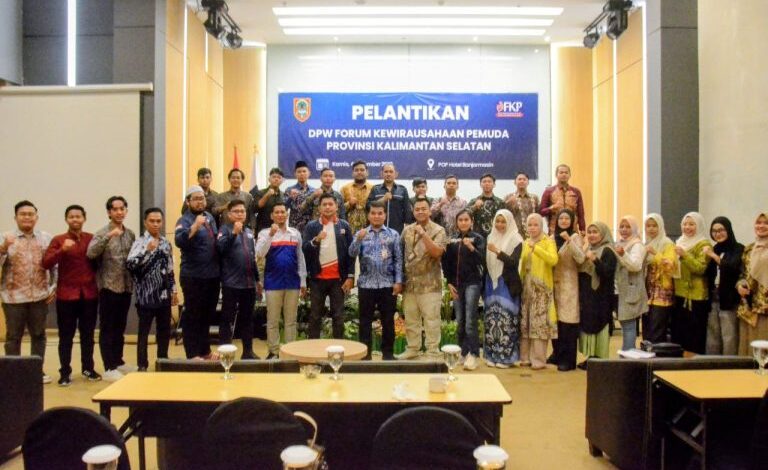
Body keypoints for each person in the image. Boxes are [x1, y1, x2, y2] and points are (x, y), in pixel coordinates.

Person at [42, 205, 101, 386]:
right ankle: (65, 372)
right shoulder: (58, 240)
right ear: (66, 219)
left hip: (89, 294)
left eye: (78, 216)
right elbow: (46, 263)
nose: (75, 219)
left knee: (88, 335)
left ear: (84, 218)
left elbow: (98, 263)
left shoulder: (91, 239)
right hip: (66, 295)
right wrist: (62, 250)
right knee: (66, 336)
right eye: (71, 217)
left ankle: (88, 368)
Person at [1, 201, 56, 384]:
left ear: (36, 217)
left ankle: (36, 372)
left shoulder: (46, 238)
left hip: (39, 296)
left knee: (39, 335)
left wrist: (53, 286)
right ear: (15, 217)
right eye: (23, 214)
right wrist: (3, 248)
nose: (27, 217)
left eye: (30, 214)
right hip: (13, 298)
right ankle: (12, 374)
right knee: (13, 337)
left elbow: (54, 265)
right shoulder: (5, 237)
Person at [87, 196, 136, 382]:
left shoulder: (130, 234)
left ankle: (118, 361)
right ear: (109, 212)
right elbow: (91, 253)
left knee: (120, 327)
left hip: (126, 286)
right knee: (107, 327)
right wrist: (108, 237)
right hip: (108, 286)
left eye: (122, 208)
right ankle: (109, 367)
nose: (119, 212)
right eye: (115, 209)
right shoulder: (102, 233)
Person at [349, 201, 403, 360]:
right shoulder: (361, 233)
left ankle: (388, 355)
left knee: (388, 321)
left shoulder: (393, 234)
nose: (376, 216)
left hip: (387, 284)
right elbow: (351, 254)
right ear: (368, 215)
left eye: (380, 213)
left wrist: (398, 281)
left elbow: (398, 259)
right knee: (365, 322)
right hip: (366, 284)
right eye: (373, 213)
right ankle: (365, 356)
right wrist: (358, 240)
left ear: (385, 215)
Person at [126, 208, 178, 371]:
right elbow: (130, 266)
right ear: (145, 222)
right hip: (145, 295)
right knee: (144, 332)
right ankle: (142, 364)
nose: (156, 224)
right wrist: (146, 251)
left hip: (163, 295)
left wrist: (174, 290)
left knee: (164, 331)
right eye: (152, 221)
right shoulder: (139, 242)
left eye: (158, 221)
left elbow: (170, 269)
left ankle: (162, 361)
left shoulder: (166, 243)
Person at [397, 197, 448, 359]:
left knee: (431, 320)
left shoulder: (439, 230)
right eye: (417, 209)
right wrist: (399, 280)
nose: (420, 212)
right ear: (413, 212)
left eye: (423, 209)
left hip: (430, 284)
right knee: (411, 320)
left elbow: (437, 253)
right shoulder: (407, 230)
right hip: (410, 284)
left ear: (430, 211)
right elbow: (399, 256)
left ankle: (432, 351)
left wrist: (424, 234)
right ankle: (412, 348)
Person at [256, 202, 307, 359]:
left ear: (287, 214)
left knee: (291, 321)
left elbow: (300, 258)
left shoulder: (295, 233)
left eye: (282, 212)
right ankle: (273, 351)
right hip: (273, 282)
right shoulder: (264, 233)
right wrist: (271, 235)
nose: (280, 215)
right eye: (276, 212)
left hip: (293, 282)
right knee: (272, 320)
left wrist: (303, 281)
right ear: (272, 215)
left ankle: (290, 351)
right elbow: (259, 254)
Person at [175, 185, 220, 360]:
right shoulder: (184, 220)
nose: (200, 202)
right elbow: (179, 241)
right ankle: (192, 353)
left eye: (202, 198)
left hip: (212, 275)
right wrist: (194, 226)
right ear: (188, 202)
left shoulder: (209, 217)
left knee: (207, 315)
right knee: (193, 316)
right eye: (196, 199)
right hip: (193, 276)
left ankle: (205, 351)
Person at [302, 194, 354, 339]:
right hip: (317, 279)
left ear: (337, 206)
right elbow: (304, 249)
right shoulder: (312, 226)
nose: (327, 207)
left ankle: (338, 347)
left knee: (338, 316)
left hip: (338, 280)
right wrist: (316, 240)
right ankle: (313, 347)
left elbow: (351, 253)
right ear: (319, 208)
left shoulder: (344, 226)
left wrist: (350, 276)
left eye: (331, 204)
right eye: (324, 204)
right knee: (315, 316)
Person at [216, 200, 260, 359]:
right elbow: (220, 250)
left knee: (247, 319)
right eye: (236, 211)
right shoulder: (224, 230)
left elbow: (252, 258)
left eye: (243, 211)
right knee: (227, 319)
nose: (240, 214)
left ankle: (248, 352)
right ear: (229, 214)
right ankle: (225, 354)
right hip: (231, 283)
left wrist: (257, 279)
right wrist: (234, 233)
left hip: (249, 284)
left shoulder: (248, 232)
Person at [442, 210, 485, 370]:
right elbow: (445, 262)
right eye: (460, 220)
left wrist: (471, 247)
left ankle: (474, 354)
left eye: (466, 219)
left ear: (471, 221)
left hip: (473, 283)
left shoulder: (478, 238)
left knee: (470, 321)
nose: (463, 222)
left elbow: (483, 259)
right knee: (460, 321)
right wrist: (449, 282)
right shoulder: (452, 239)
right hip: (456, 285)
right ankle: (463, 351)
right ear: (456, 222)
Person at [518, 213, 559, 370]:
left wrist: (537, 249)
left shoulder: (548, 241)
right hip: (526, 287)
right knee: (526, 322)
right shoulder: (525, 242)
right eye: (530, 225)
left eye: (535, 225)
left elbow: (553, 260)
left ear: (541, 226)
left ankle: (539, 360)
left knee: (539, 324)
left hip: (541, 288)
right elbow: (522, 264)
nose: (532, 228)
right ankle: (525, 357)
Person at [484, 210, 523, 368]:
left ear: (509, 222)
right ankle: (492, 355)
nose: (500, 225)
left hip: (507, 282)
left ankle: (507, 358)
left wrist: (497, 251)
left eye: (503, 222)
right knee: (492, 319)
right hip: (491, 282)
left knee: (507, 319)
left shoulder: (516, 239)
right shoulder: (490, 237)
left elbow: (513, 262)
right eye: (497, 221)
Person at [577, 222, 618, 369]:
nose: (592, 235)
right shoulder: (588, 249)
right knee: (589, 325)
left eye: (595, 232)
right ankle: (591, 357)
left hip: (602, 297)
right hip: (588, 296)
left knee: (600, 326)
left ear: (603, 234)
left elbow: (607, 273)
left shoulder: (608, 251)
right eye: (590, 232)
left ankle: (599, 360)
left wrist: (595, 260)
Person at [672, 212, 713, 354]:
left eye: (691, 224)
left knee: (694, 336)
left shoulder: (704, 244)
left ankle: (694, 364)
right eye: (684, 224)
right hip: (679, 294)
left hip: (695, 297)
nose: (687, 227)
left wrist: (684, 255)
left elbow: (700, 268)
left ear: (699, 226)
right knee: (679, 335)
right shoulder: (680, 242)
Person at [550, 209, 585, 371]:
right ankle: (557, 354)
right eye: (561, 218)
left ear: (572, 221)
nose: (563, 221)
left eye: (567, 218)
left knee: (568, 323)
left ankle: (568, 360)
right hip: (553, 283)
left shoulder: (575, 237)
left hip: (569, 284)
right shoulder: (551, 238)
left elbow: (581, 258)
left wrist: (569, 241)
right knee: (555, 321)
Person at [703, 216, 743, 355]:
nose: (717, 234)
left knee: (729, 335)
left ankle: (729, 365)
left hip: (729, 299)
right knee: (712, 335)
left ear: (728, 230)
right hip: (713, 297)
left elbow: (732, 268)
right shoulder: (715, 248)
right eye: (714, 231)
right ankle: (712, 364)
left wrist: (714, 256)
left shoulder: (738, 249)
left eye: (721, 230)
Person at [736, 211, 768, 356]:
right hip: (749, 306)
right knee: (748, 348)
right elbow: (743, 274)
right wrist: (740, 285)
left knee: (763, 350)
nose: (761, 226)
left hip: (765, 307)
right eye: (758, 223)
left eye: (766, 223)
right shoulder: (749, 248)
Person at [614, 215, 648, 351]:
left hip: (631, 290)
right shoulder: (619, 243)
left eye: (628, 227)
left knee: (629, 326)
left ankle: (628, 356)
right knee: (624, 324)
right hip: (619, 290)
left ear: (634, 228)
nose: (624, 229)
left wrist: (623, 254)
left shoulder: (637, 245)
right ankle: (626, 354)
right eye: (621, 226)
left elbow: (635, 266)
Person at [643, 213, 677, 344]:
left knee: (657, 328)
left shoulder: (667, 243)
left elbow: (670, 266)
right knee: (647, 328)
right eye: (648, 226)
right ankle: (647, 353)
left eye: (654, 226)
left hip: (662, 293)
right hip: (648, 292)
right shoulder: (647, 243)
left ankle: (657, 355)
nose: (651, 229)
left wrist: (655, 253)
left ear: (660, 226)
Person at [540, 164, 586, 234]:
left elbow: (581, 213)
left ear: (570, 175)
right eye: (561, 172)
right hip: (554, 230)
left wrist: (582, 229)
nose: (564, 174)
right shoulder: (549, 191)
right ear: (556, 175)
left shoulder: (576, 191)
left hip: (573, 230)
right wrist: (552, 207)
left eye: (566, 172)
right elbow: (541, 212)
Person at [367, 163, 411, 233]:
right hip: (378, 228)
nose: (388, 174)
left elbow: (407, 210)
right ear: (381, 174)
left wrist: (407, 226)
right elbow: (368, 206)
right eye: (386, 172)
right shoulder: (375, 189)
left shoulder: (402, 190)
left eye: (391, 172)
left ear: (396, 174)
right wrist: (383, 199)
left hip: (397, 229)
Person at [468, 173, 505, 238]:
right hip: (478, 237)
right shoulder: (474, 201)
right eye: (484, 181)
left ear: (494, 184)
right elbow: (464, 215)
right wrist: (475, 206)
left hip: (496, 237)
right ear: (480, 184)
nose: (487, 184)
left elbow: (505, 220)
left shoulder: (500, 202)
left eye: (489, 181)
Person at [340, 160, 373, 233]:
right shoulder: (345, 189)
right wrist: (349, 204)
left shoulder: (373, 189)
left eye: (362, 170)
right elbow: (339, 209)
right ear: (353, 173)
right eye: (356, 170)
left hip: (368, 229)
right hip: (348, 229)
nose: (359, 172)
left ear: (367, 172)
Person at [504, 172, 540, 239]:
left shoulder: (534, 198)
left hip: (532, 234)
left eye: (524, 179)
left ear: (528, 182)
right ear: (515, 182)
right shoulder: (508, 197)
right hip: (515, 235)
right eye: (519, 179)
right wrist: (508, 203)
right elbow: (503, 215)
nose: (522, 181)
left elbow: (538, 216)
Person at [284, 160, 315, 234]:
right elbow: (284, 208)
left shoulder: (314, 191)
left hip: (310, 226)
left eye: (304, 171)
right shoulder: (289, 190)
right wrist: (290, 198)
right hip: (295, 226)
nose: (302, 174)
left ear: (309, 173)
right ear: (295, 174)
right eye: (299, 172)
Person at [253, 167, 286, 234]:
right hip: (263, 228)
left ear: (282, 181)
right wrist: (267, 195)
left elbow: (285, 213)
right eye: (274, 177)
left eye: (279, 177)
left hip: (279, 229)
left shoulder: (283, 195)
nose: (276, 179)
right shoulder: (260, 192)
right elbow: (255, 209)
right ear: (269, 179)